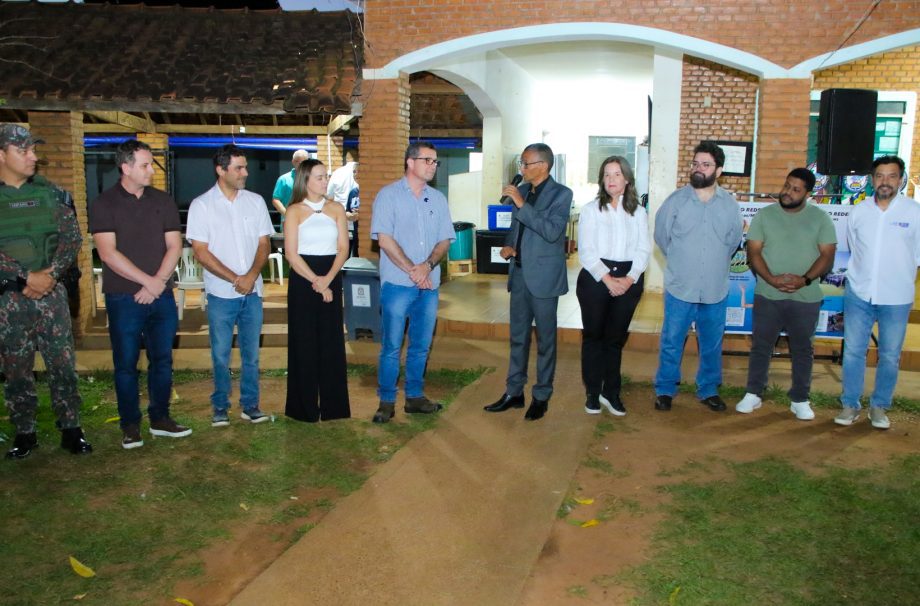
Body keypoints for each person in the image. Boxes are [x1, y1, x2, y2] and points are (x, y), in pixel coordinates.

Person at [89, 140, 190, 449]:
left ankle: (160, 418)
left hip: (161, 296)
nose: (151, 171)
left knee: (162, 360)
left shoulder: (163, 200)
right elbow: (107, 253)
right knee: (125, 364)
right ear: (126, 167)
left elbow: (175, 245)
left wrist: (158, 282)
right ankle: (130, 425)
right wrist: (149, 282)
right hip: (123, 298)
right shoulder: (104, 204)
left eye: (151, 165)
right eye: (145, 165)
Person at [0, 123, 92, 459]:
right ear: (1, 155)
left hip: (51, 295)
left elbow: (72, 239)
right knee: (16, 368)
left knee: (62, 364)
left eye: (33, 149)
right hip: (10, 298)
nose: (32, 156)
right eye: (23, 150)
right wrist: (26, 276)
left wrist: (49, 276)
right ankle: (24, 433)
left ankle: (71, 429)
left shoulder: (51, 194)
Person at [734, 168, 836, 420]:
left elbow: (827, 255)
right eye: (787, 186)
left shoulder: (820, 219)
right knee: (761, 346)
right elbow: (754, 252)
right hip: (768, 294)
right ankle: (754, 393)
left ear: (807, 194)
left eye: (796, 189)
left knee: (803, 350)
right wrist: (771, 279)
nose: (788, 192)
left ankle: (800, 399)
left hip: (805, 298)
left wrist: (804, 280)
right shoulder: (765, 216)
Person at [186, 144, 274, 427]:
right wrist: (235, 279)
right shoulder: (202, 205)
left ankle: (251, 406)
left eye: (245, 167)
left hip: (253, 292)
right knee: (220, 355)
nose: (245, 173)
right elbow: (200, 251)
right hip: (222, 294)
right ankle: (220, 407)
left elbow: (264, 243)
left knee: (252, 355)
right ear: (221, 170)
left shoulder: (255, 202)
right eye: (238, 168)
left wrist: (250, 276)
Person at [484, 143, 573, 421]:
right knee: (517, 338)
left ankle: (541, 395)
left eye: (525, 164)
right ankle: (514, 392)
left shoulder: (562, 194)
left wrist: (522, 204)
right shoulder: (522, 190)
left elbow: (551, 231)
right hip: (520, 274)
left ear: (543, 166)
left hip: (544, 278)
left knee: (546, 341)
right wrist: (510, 246)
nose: (521, 169)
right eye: (520, 164)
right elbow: (516, 228)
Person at [653, 141, 743, 412]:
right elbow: (662, 237)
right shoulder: (676, 201)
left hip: (715, 288)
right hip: (681, 286)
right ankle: (666, 389)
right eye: (695, 164)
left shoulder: (729, 205)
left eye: (705, 165)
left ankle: (708, 390)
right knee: (671, 340)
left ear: (719, 171)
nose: (698, 169)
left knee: (712, 344)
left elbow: (733, 242)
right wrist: (684, 263)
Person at [370, 141, 454, 424]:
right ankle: (387, 400)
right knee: (392, 346)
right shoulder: (388, 196)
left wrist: (427, 266)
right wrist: (412, 271)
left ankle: (415, 397)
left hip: (428, 286)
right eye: (427, 160)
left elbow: (445, 240)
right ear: (410, 162)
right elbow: (384, 240)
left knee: (420, 345)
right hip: (397, 284)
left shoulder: (438, 199)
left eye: (435, 162)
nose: (433, 166)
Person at [836, 155, 920, 430]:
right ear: (872, 180)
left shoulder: (914, 213)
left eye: (892, 175)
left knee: (890, 355)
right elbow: (854, 248)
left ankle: (879, 406)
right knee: (853, 352)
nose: (885, 181)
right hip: (859, 293)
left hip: (896, 297)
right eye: (880, 176)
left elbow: (916, 257)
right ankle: (850, 405)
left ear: (901, 179)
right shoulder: (858, 212)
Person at [576, 156, 650, 417]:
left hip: (629, 278)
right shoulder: (590, 210)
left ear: (627, 178)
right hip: (596, 279)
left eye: (616, 174)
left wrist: (629, 279)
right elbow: (586, 250)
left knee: (615, 340)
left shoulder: (638, 212)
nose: (611, 180)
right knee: (594, 337)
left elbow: (643, 249)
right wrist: (607, 279)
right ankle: (593, 393)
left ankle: (612, 392)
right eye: (606, 175)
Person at [284, 158, 351, 422]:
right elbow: (291, 253)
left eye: (326, 176)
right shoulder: (294, 211)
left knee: (331, 342)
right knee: (304, 342)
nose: (325, 181)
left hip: (331, 275)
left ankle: (335, 408)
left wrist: (328, 280)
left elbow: (343, 249)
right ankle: (304, 408)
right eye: (320, 177)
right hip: (303, 279)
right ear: (306, 180)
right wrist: (316, 280)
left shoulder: (336, 208)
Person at [326, 150, 360, 257]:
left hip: (341, 222)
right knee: (358, 258)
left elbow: (329, 197)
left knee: (341, 257)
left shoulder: (337, 173)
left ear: (346, 158)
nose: (355, 174)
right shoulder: (362, 174)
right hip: (358, 226)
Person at [271, 149, 310, 223]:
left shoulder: (313, 179)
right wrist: (287, 214)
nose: (301, 165)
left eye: (304, 162)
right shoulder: (284, 179)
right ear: (293, 162)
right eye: (298, 162)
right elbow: (275, 200)